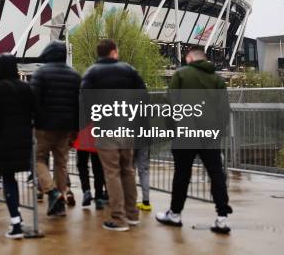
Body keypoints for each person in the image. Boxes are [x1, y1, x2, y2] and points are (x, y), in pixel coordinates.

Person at [156, 45, 232, 234]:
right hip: (209, 135)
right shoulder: (217, 80)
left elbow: (169, 104)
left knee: (182, 174)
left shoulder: (181, 75)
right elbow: (224, 110)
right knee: (216, 173)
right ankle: (222, 217)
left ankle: (175, 214)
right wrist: (218, 130)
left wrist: (172, 129)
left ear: (189, 58)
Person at [81, 39, 147, 232]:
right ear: (114, 52)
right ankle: (132, 214)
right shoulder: (129, 70)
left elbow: (85, 102)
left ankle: (118, 219)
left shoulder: (91, 73)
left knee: (112, 172)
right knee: (128, 169)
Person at [0, 53, 36, 239]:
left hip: (3, 140)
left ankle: (15, 221)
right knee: (18, 175)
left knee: (8, 179)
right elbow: (35, 111)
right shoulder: (25, 88)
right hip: (23, 139)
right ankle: (18, 219)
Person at [29, 40, 81, 216]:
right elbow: (78, 105)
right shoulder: (75, 75)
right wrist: (76, 128)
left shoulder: (40, 74)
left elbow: (33, 101)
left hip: (44, 126)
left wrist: (34, 120)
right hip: (66, 127)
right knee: (61, 163)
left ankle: (52, 192)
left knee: (38, 159)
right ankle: (60, 203)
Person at [73, 130, 107, 210]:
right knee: (98, 167)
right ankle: (99, 196)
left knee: (82, 165)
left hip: (83, 134)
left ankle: (86, 191)